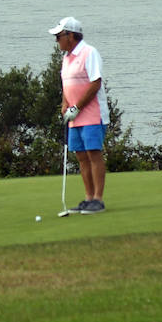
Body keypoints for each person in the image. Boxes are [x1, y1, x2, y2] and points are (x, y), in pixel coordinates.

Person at [50, 17, 108, 213]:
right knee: (81, 156)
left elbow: (95, 83)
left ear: (71, 36)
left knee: (93, 153)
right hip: (74, 116)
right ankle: (88, 198)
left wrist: (77, 107)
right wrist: (65, 105)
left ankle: (98, 200)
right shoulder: (66, 58)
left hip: (92, 114)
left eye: (59, 36)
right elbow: (67, 85)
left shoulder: (89, 52)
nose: (57, 40)